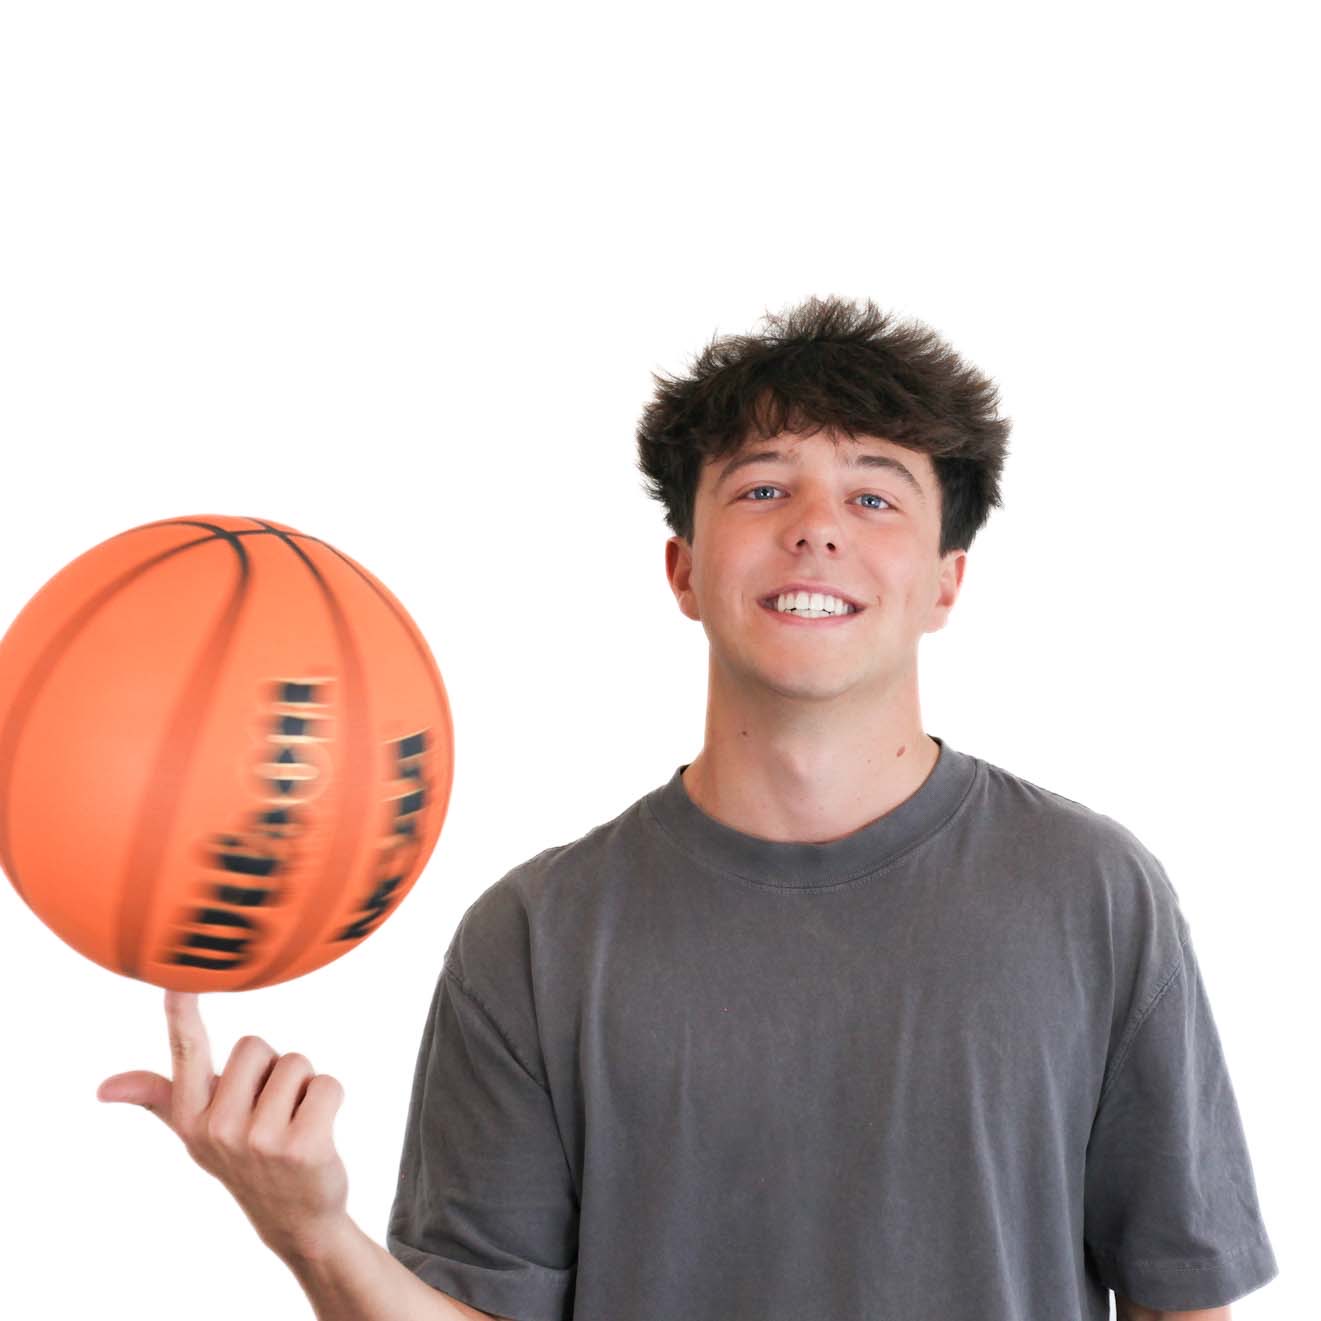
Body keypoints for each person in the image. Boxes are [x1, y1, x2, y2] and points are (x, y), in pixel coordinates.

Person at [99, 296, 1279, 1321]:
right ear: (683, 570)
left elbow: (1182, 1292)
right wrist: (311, 1227)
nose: (815, 523)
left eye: (875, 498)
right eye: (762, 488)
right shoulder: (535, 935)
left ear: (944, 584)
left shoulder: (1090, 891)